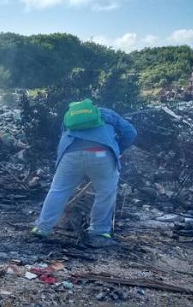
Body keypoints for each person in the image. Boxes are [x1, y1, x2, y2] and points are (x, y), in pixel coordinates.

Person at [31, 101, 137, 248]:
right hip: (101, 155)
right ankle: (99, 231)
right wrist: (116, 148)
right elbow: (131, 133)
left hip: (70, 154)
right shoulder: (107, 113)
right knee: (105, 193)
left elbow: (63, 134)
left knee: (58, 191)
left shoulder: (70, 116)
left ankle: (42, 228)